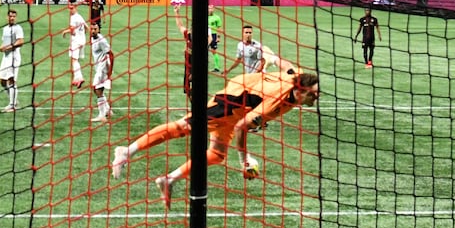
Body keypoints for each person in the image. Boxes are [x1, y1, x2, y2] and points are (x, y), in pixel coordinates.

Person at [111, 67, 321, 206]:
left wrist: (271, 57)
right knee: (182, 127)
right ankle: (126, 151)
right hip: (231, 101)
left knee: (217, 155)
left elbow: (287, 66)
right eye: (312, 93)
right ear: (299, 91)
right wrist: (245, 160)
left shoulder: (298, 78)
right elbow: (241, 127)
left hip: (241, 104)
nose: (316, 96)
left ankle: (169, 180)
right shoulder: (274, 104)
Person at [0, 9, 25, 112]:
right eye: (10, 16)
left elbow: (21, 41)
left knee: (11, 80)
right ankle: (14, 101)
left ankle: (12, 105)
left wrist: (8, 47)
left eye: (14, 16)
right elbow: (5, 42)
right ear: (7, 17)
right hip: (6, 57)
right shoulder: (5, 29)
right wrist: (2, 47)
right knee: (2, 80)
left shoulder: (18, 28)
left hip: (14, 57)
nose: (12, 18)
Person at [89, 19, 113, 122]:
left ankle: (101, 115)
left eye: (95, 29)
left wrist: (109, 73)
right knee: (97, 89)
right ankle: (107, 110)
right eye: (91, 29)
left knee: (97, 89)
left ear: (99, 30)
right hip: (98, 68)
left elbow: (111, 55)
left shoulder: (101, 41)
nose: (93, 31)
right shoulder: (92, 38)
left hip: (103, 69)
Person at [65, 1, 89, 88]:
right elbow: (87, 28)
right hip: (82, 41)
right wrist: (82, 35)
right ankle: (75, 79)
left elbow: (73, 31)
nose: (70, 10)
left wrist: (65, 32)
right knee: (76, 60)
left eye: (71, 8)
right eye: (69, 9)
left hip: (76, 41)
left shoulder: (73, 18)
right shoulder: (80, 16)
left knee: (74, 60)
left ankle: (79, 78)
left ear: (75, 8)